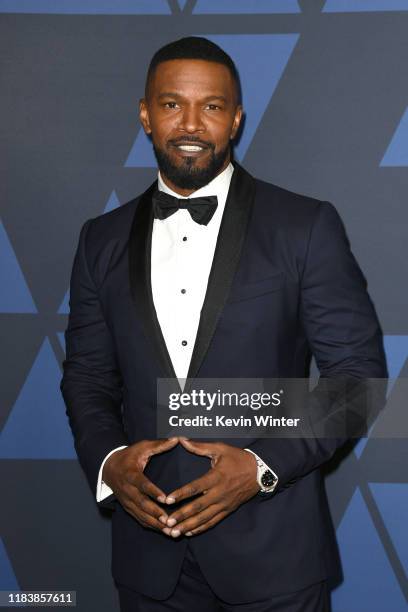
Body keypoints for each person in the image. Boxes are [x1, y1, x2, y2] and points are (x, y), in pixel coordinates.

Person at [60, 37, 386, 611]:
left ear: (235, 119)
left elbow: (357, 380)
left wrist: (260, 468)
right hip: (147, 563)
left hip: (274, 556)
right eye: (170, 105)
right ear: (144, 115)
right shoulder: (100, 240)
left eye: (211, 107)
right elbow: (87, 376)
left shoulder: (304, 226)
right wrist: (110, 462)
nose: (190, 124)